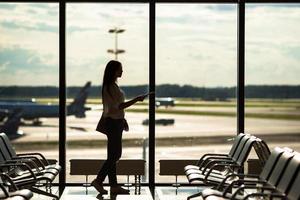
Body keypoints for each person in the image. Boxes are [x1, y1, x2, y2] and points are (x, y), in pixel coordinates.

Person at [91, 60, 150, 195]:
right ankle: (98, 180)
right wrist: (136, 100)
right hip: (112, 123)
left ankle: (114, 185)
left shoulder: (112, 86)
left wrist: (122, 119)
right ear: (114, 71)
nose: (122, 71)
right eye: (120, 69)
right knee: (115, 155)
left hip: (116, 122)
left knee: (113, 155)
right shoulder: (110, 87)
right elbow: (118, 107)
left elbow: (116, 108)